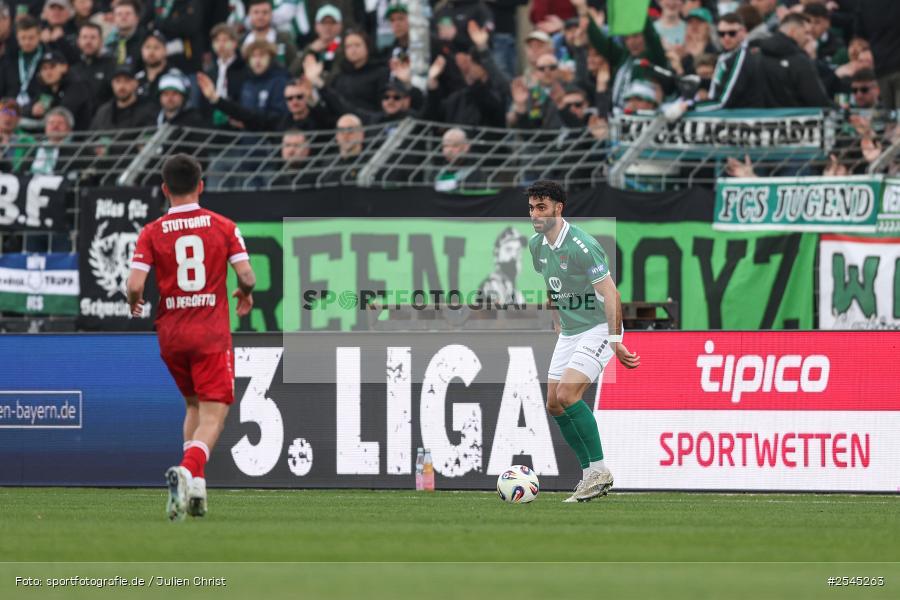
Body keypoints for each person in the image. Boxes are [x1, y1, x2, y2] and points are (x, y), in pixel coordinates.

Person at [126, 154, 256, 521]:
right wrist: (245, 292)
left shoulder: (151, 231)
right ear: (201, 185)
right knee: (215, 414)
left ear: (165, 189)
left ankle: (198, 487)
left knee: (193, 406)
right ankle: (186, 471)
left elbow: (135, 284)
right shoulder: (223, 226)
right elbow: (247, 276)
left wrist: (135, 303)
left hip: (171, 334)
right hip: (210, 333)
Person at [526, 180, 639, 503]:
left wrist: (615, 340)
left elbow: (611, 294)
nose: (536, 214)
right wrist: (557, 314)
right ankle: (590, 474)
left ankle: (600, 471)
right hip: (572, 330)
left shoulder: (582, 245)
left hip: (599, 328)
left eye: (542, 208)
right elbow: (553, 283)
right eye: (532, 208)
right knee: (553, 402)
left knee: (567, 393)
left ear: (558, 209)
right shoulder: (536, 245)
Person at [756, 12, 831, 108]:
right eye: (806, 33)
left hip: (758, 120)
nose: (809, 38)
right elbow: (817, 100)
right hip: (797, 120)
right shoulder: (799, 60)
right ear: (793, 31)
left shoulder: (757, 55)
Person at [694, 12, 763, 111]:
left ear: (743, 32)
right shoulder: (725, 55)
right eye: (721, 34)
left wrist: (689, 107)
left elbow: (724, 102)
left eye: (732, 33)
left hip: (742, 120)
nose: (726, 38)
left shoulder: (743, 55)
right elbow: (715, 94)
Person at [26, 50, 92, 129]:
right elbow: (26, 108)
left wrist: (45, 111)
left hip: (78, 137)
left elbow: (64, 112)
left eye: (52, 67)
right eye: (44, 68)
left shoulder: (77, 86)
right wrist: (32, 110)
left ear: (64, 67)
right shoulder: (46, 89)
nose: (48, 72)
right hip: (51, 136)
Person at [90, 63, 155, 129]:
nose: (121, 86)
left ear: (136, 83)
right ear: (112, 84)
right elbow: (91, 137)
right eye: (118, 81)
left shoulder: (147, 112)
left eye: (126, 81)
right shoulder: (103, 113)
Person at [242, 0, 298, 71]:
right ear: (249, 14)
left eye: (265, 12)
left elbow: (294, 63)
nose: (260, 16)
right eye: (256, 12)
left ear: (271, 14)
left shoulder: (284, 38)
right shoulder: (242, 41)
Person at [69, 22, 115, 107]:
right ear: (78, 41)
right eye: (84, 37)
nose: (88, 41)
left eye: (93, 38)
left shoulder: (112, 66)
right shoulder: (73, 69)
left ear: (101, 41)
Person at [104, 0, 145, 68]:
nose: (123, 17)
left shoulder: (145, 40)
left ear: (137, 18)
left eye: (128, 14)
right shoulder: (109, 42)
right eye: (119, 14)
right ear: (114, 19)